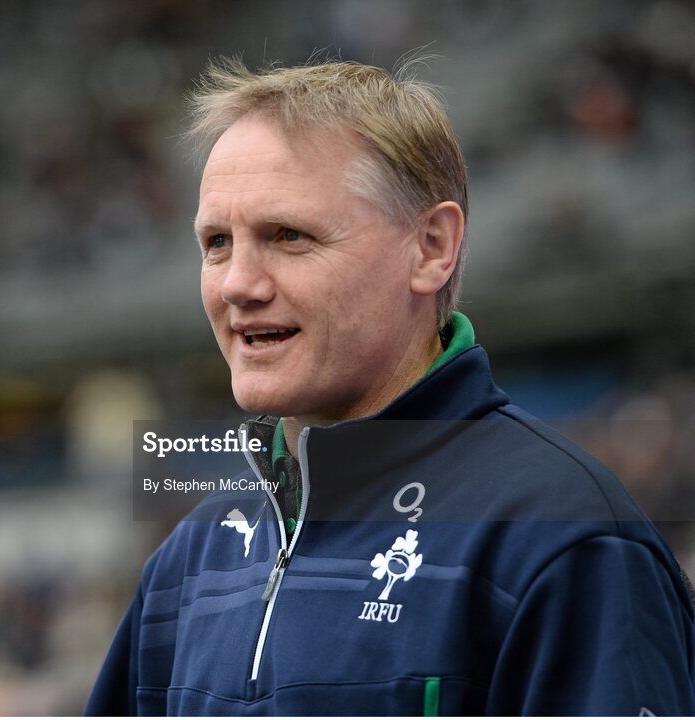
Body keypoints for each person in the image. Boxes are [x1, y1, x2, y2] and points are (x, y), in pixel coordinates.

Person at [85, 59, 695, 715]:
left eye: (288, 235)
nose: (238, 283)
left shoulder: (564, 541)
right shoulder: (188, 566)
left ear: (432, 246)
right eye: (216, 243)